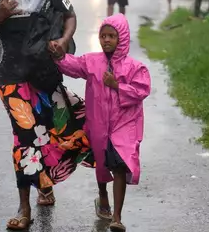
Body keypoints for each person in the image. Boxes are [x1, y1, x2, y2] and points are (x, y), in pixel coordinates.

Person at [0, 0, 93, 231]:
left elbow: (70, 16)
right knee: (25, 136)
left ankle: (45, 183)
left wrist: (64, 42)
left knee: (57, 129)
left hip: (45, 73)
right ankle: (24, 207)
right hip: (11, 76)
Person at [51, 14, 151, 232]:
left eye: (112, 36)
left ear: (121, 38)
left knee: (119, 165)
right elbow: (73, 66)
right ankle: (103, 194)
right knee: (102, 162)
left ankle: (117, 216)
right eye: (103, 36)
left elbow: (142, 90)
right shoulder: (92, 61)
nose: (106, 40)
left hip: (124, 125)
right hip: (98, 123)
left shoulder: (135, 67)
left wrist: (117, 85)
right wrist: (59, 57)